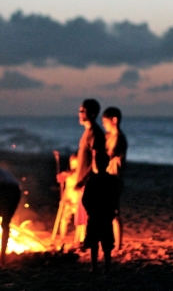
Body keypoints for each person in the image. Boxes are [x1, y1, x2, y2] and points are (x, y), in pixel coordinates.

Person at [74, 99, 106, 246]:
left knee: (90, 213)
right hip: (83, 180)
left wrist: (83, 180)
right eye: (80, 110)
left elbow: (96, 162)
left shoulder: (95, 134)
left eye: (83, 111)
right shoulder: (87, 132)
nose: (79, 114)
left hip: (90, 182)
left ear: (92, 113)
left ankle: (90, 242)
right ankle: (84, 241)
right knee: (83, 212)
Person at [82, 150, 120, 273]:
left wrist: (89, 210)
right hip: (106, 215)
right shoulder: (112, 181)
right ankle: (107, 267)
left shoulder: (92, 180)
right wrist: (114, 209)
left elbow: (85, 199)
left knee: (94, 242)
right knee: (107, 242)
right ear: (108, 163)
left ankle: (94, 267)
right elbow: (115, 197)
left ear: (95, 163)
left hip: (94, 215)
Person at [102, 106, 128, 252]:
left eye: (106, 122)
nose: (104, 125)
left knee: (114, 213)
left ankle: (117, 245)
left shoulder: (118, 138)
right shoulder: (110, 136)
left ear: (114, 120)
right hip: (108, 177)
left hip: (114, 178)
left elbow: (108, 155)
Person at [54, 153, 81, 246]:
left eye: (75, 164)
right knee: (64, 220)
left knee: (79, 222)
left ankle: (78, 240)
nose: (73, 166)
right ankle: (62, 238)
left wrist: (66, 174)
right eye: (72, 164)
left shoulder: (79, 173)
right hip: (68, 199)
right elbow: (66, 186)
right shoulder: (68, 174)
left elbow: (72, 172)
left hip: (77, 200)